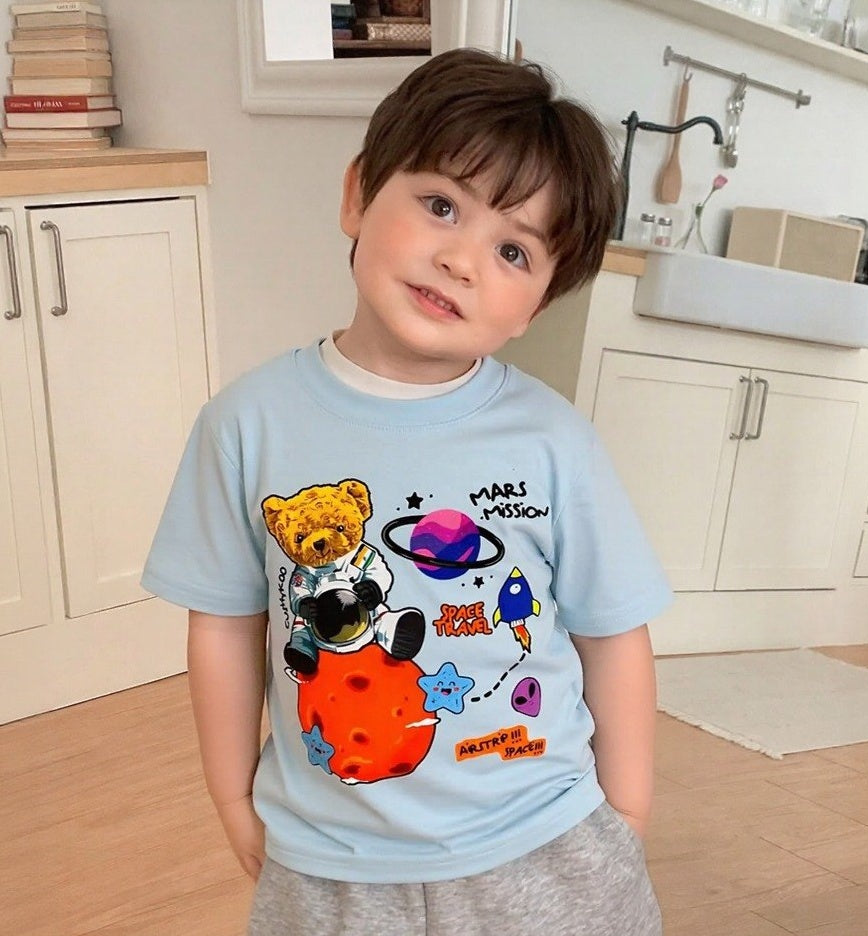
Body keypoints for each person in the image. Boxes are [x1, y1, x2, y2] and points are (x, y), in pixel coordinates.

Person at [142, 47, 672, 936]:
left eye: (513, 250)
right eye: (441, 206)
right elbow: (224, 626)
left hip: (547, 841)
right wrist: (232, 795)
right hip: (330, 862)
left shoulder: (556, 443)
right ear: (358, 194)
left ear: (537, 305)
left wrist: (628, 811)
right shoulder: (245, 424)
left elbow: (614, 635)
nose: (461, 260)